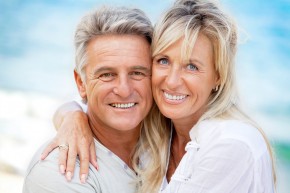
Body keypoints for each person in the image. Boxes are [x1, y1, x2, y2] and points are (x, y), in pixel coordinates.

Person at [42, 0, 276, 192]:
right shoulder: (160, 128)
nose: (172, 81)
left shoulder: (230, 145)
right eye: (163, 60)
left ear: (218, 76)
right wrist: (72, 116)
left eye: (192, 66)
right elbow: (99, 100)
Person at [23, 5, 168, 193]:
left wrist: (70, 113)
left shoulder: (171, 136)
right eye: (107, 74)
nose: (124, 90)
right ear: (81, 83)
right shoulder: (58, 173)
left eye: (137, 72)